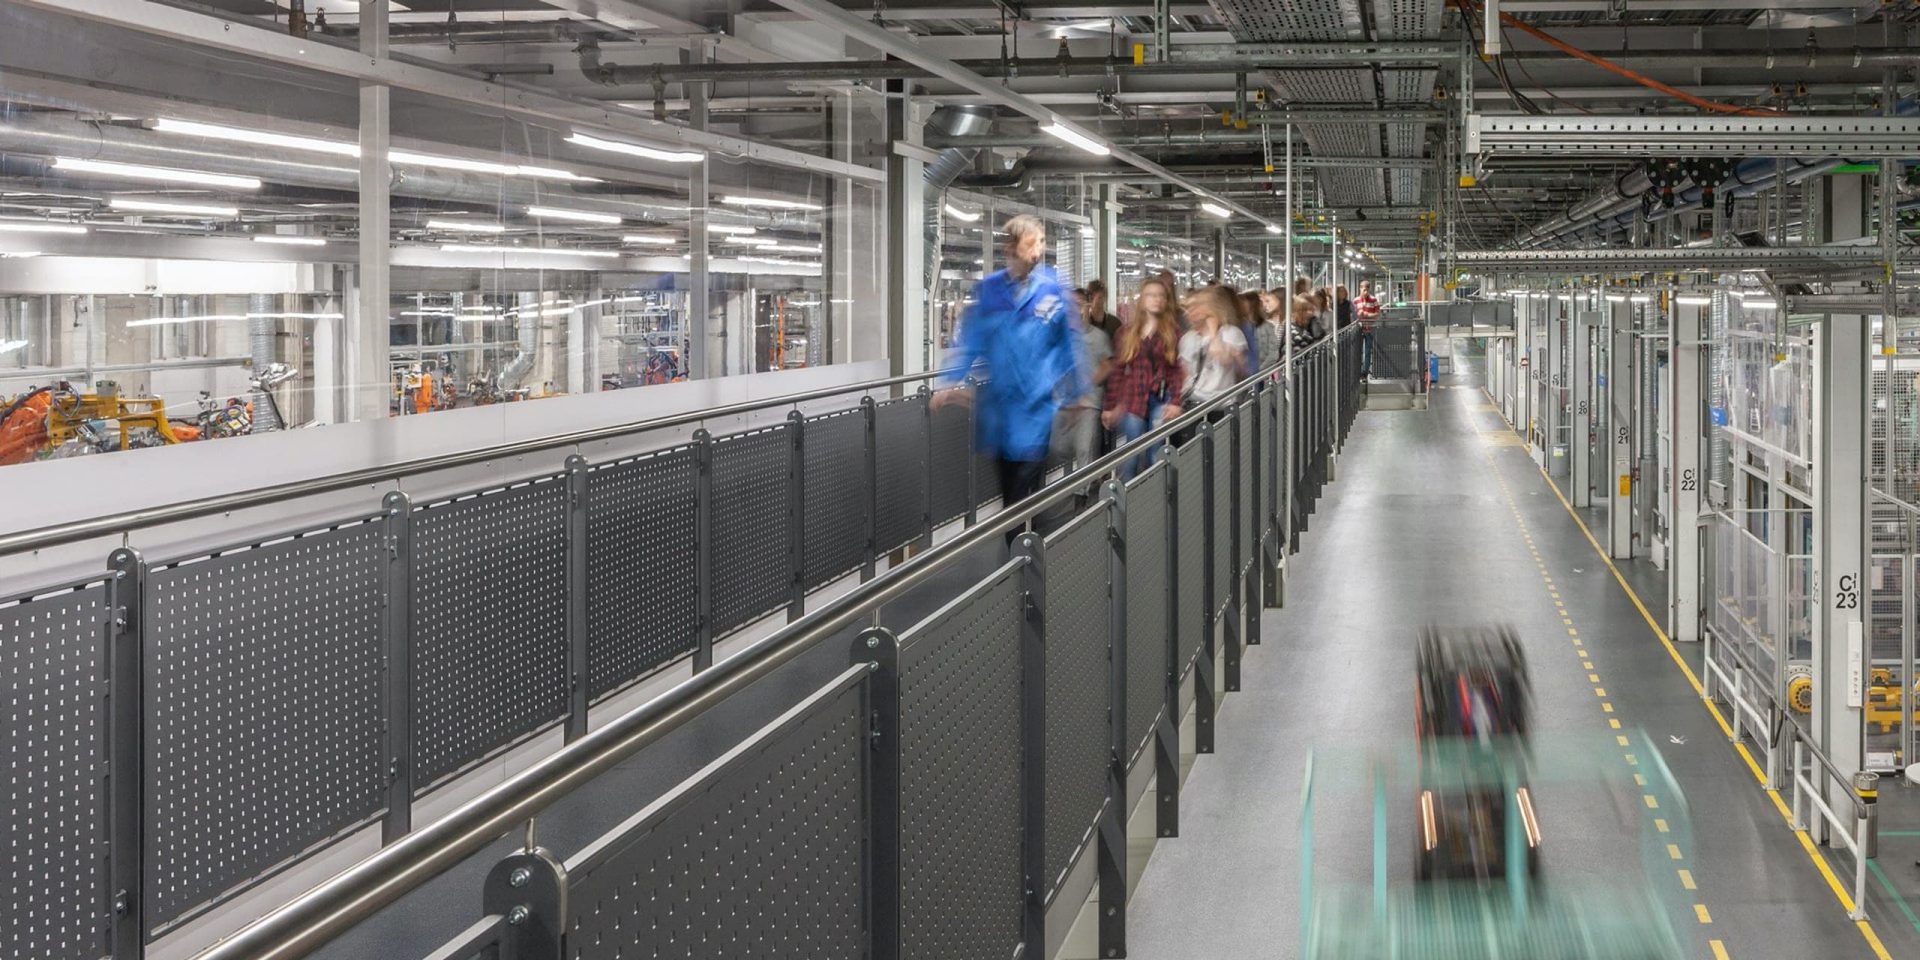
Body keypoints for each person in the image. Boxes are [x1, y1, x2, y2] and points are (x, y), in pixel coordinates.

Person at [933, 214, 1089, 511]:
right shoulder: (989, 291)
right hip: (1001, 412)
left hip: (1037, 407)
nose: (1037, 251)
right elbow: (971, 341)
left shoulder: (1052, 288)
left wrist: (1074, 393)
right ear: (1010, 248)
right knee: (1010, 495)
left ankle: (1025, 550)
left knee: (1022, 493)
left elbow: (1066, 342)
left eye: (1041, 243)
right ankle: (1023, 547)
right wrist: (949, 380)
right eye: (1031, 243)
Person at [1102, 276, 1184, 480]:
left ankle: (1154, 499)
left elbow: (1176, 371)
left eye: (1160, 296)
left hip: (1161, 398)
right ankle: (1128, 501)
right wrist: (1109, 406)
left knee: (1155, 453)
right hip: (1134, 399)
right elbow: (1117, 371)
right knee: (1132, 453)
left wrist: (1176, 401)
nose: (1156, 299)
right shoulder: (1126, 333)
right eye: (1151, 295)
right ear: (1142, 300)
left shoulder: (1172, 333)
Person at [1052, 287, 1113, 471]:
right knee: (1056, 447)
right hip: (1063, 402)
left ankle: (1082, 495)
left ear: (1088, 307)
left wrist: (1087, 385)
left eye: (1079, 305)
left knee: (1084, 448)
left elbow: (1108, 365)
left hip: (1089, 403)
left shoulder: (1098, 337)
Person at [1179, 285, 1250, 407]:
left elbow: (1224, 360)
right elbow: (1184, 374)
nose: (1192, 311)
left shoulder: (1230, 333)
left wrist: (1213, 333)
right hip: (1193, 402)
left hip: (1222, 404)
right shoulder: (1188, 338)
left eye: (1198, 305)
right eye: (1189, 307)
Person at [1256, 289, 1289, 371]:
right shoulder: (1266, 323)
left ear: (1280, 300)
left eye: (1268, 301)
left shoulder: (1288, 323)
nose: (1265, 305)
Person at [1355, 280, 1381, 376]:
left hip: (1370, 329)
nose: (1365, 292)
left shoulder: (1374, 300)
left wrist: (1367, 315)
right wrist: (1358, 315)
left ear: (1369, 289)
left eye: (1366, 290)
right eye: (1363, 289)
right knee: (1358, 350)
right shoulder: (1355, 300)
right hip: (1358, 330)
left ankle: (1365, 371)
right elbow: (1353, 316)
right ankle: (1358, 370)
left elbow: (1378, 314)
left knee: (1367, 351)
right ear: (1360, 289)